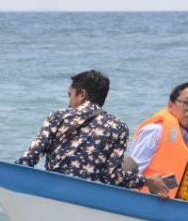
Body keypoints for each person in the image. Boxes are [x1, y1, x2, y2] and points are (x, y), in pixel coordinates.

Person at [17, 70, 169, 196]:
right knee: (130, 164)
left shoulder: (58, 115)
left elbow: (29, 158)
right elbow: (112, 177)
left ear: (82, 94)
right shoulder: (118, 126)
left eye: (70, 95)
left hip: (54, 191)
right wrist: (147, 181)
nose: (69, 102)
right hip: (89, 197)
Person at [129, 82, 188, 201]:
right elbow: (129, 173)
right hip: (143, 202)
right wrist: (149, 183)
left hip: (175, 207)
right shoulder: (156, 132)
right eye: (186, 103)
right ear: (170, 105)